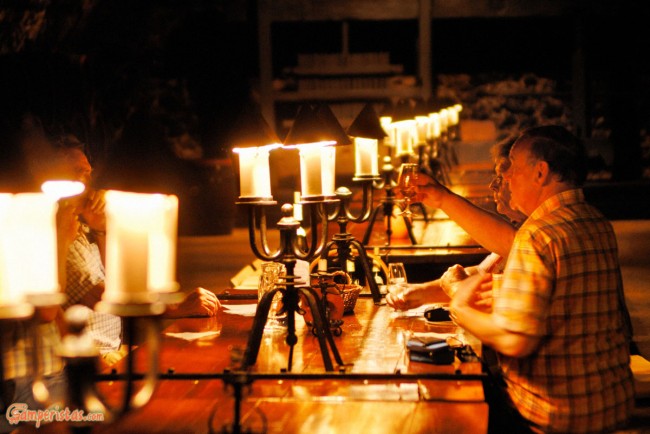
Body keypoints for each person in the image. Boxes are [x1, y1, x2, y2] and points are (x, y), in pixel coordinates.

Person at [444, 126, 634, 432]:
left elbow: (514, 339)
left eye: (513, 168)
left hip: (556, 415)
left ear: (540, 172)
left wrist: (460, 308)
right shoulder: (596, 221)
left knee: (454, 407)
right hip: (611, 403)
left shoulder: (538, 234)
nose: (506, 178)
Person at [49, 134, 221, 364]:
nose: (85, 181)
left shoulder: (84, 228)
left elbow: (118, 278)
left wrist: (101, 229)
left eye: (88, 173)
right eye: (75, 172)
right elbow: (102, 296)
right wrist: (177, 308)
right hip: (94, 358)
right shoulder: (60, 234)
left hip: (112, 349)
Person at [386, 136, 526, 311]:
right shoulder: (524, 227)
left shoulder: (540, 233)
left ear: (539, 174)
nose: (492, 185)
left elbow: (513, 245)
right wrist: (418, 291)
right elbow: (484, 273)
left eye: (503, 176)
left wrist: (443, 200)